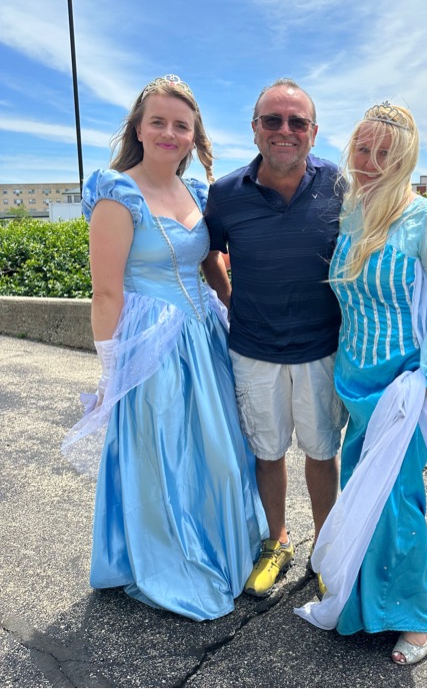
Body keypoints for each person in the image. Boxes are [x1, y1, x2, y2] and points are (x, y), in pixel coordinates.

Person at [61, 74, 267, 621]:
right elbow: (105, 292)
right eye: (158, 122)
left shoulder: (196, 192)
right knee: (165, 453)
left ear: (194, 135)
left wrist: (234, 312)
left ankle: (224, 545)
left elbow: (211, 265)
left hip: (204, 335)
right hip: (151, 344)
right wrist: (112, 365)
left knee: (221, 454)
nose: (169, 133)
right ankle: (171, 558)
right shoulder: (117, 194)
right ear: (139, 128)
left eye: (182, 125)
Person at [294, 102, 427, 664]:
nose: (370, 162)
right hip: (353, 377)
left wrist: (426, 375)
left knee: (397, 499)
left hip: (404, 382)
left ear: (406, 158)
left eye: (384, 153)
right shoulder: (349, 213)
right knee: (364, 492)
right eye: (363, 150)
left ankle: (416, 617)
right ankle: (367, 597)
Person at [203, 78, 345, 597]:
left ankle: (326, 550)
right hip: (253, 349)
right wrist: (231, 299)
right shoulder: (224, 194)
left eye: (297, 122)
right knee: (267, 452)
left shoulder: (341, 186)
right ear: (255, 128)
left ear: (313, 131)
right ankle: (277, 541)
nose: (285, 130)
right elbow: (209, 253)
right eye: (272, 120)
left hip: (322, 348)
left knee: (322, 451)